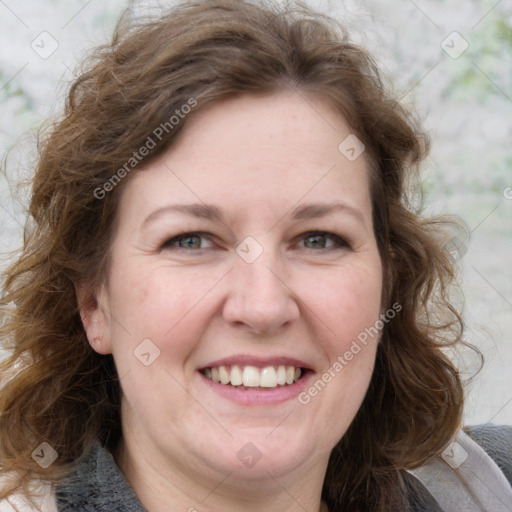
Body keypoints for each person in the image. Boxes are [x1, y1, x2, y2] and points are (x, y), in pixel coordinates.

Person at [0, 0, 511, 511]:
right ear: (95, 303)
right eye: (191, 240)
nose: (263, 306)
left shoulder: (489, 487)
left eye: (318, 239)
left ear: (387, 285)